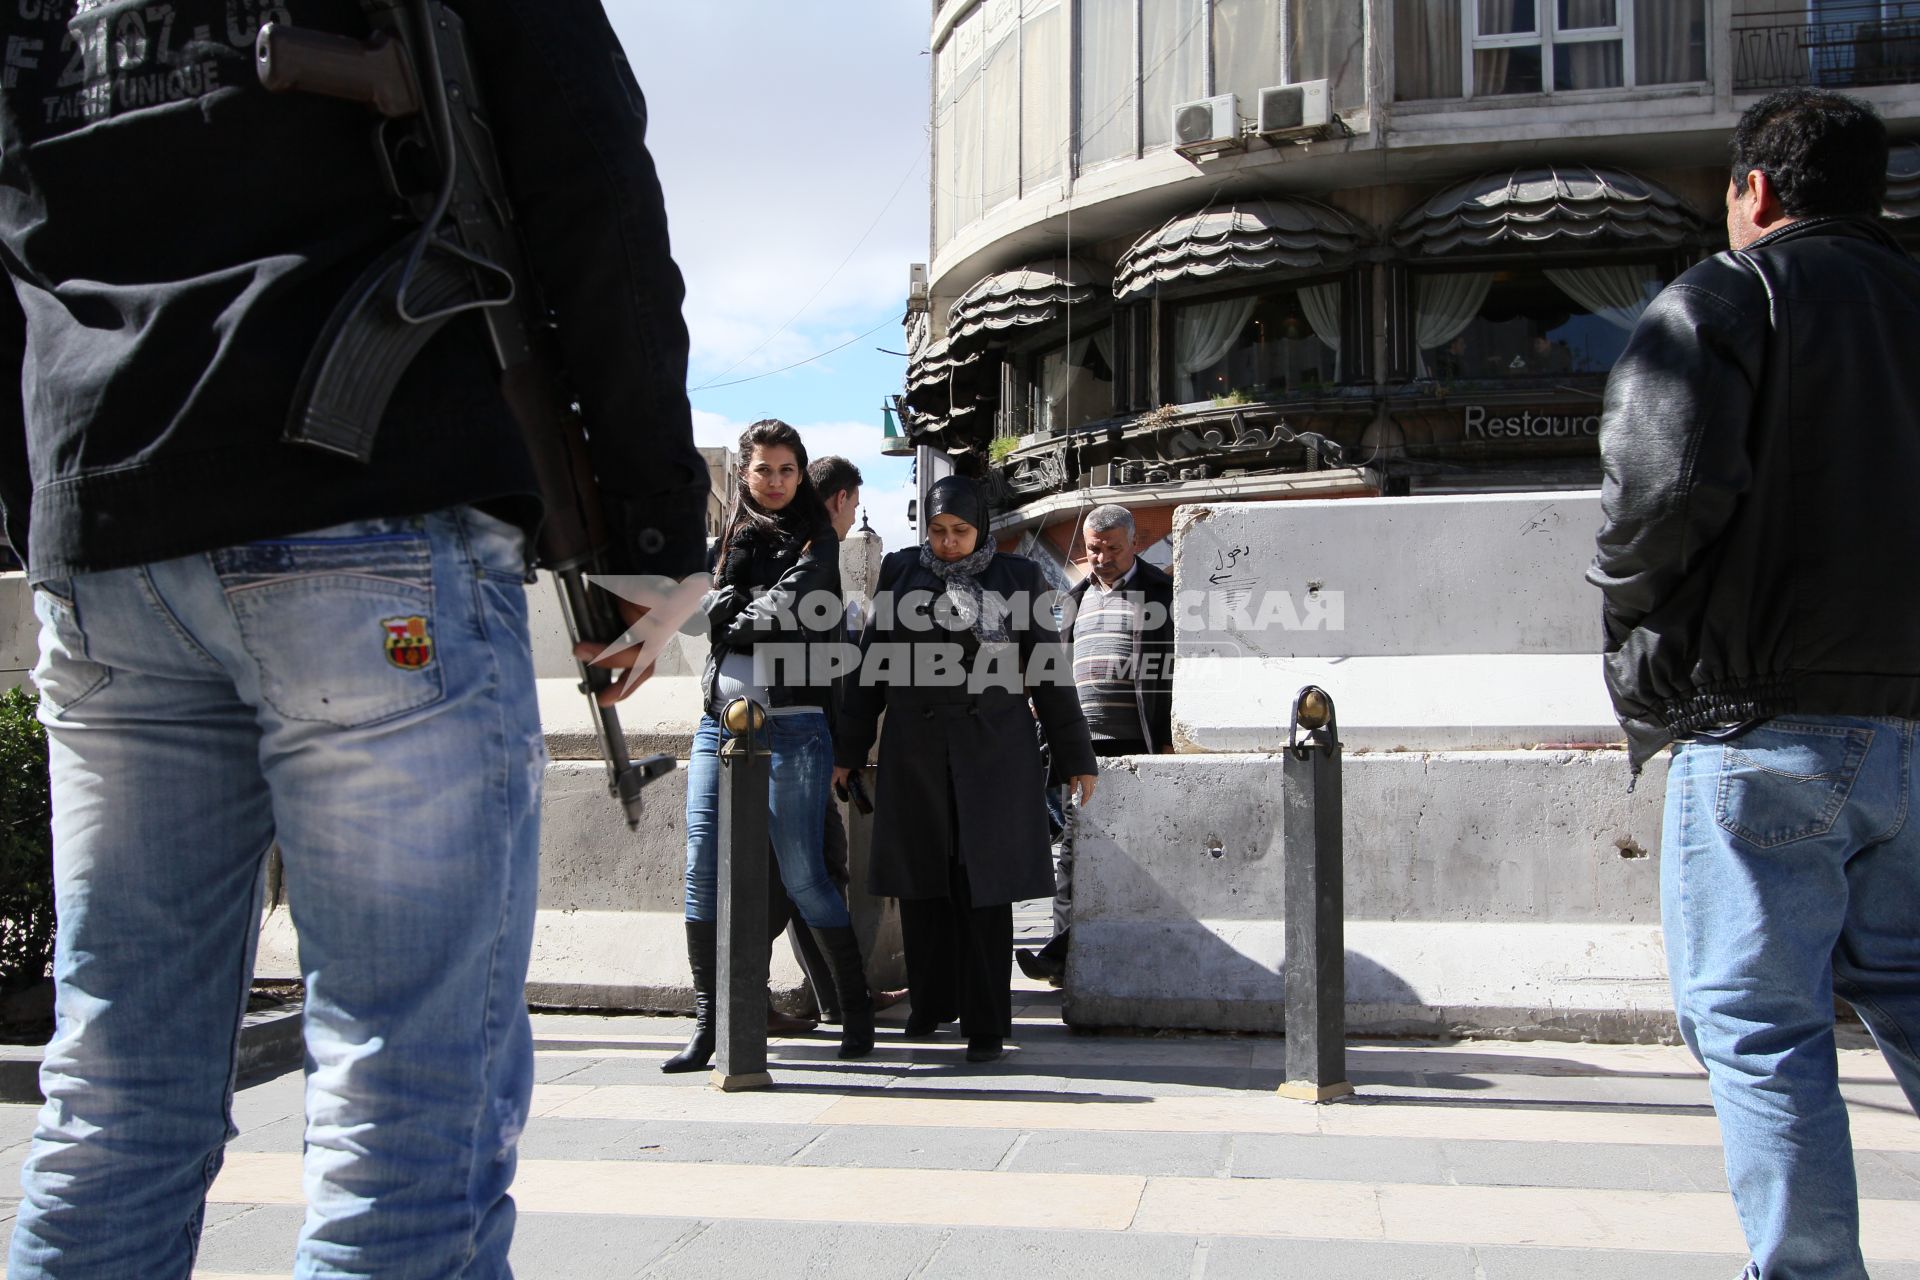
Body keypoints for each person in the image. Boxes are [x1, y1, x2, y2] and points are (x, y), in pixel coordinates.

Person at [0, 2, 707, 1275]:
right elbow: (588, 168)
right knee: (403, 1100)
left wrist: (51, 510)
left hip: (107, 536)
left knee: (112, 1090)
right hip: (365, 492)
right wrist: (651, 523)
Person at [1589, 87, 1920, 1280]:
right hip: (1914, 728)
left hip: (1765, 723)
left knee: (1761, 1024)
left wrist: (1633, 626)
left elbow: (1659, 499)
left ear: (1757, 191)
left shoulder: (1729, 295)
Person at [833, 476, 1096, 1063]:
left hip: (992, 754)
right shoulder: (901, 574)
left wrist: (1076, 758)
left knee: (984, 890)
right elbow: (870, 669)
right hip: (917, 750)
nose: (948, 543)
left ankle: (985, 1023)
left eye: (960, 531)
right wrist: (848, 752)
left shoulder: (1019, 579)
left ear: (981, 529)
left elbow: (1050, 675)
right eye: (937, 531)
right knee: (923, 885)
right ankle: (930, 1005)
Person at [666, 421, 873, 1072]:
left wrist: (734, 615)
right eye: (764, 470)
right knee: (701, 867)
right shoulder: (726, 541)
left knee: (803, 873)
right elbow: (703, 611)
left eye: (788, 469)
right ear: (745, 477)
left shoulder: (819, 540)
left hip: (793, 724)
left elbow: (785, 610)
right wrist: (729, 613)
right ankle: (713, 1023)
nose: (777, 481)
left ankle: (856, 1011)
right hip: (717, 721)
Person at [1018, 504, 1173, 987]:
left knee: (1136, 852)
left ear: (1134, 544)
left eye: (1111, 548)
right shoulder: (1072, 599)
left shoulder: (1163, 593)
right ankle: (1063, 957)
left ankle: (1066, 955)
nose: (1101, 557)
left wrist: (1169, 740)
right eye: (1092, 549)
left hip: (1139, 744)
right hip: (1079, 746)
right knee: (1073, 852)